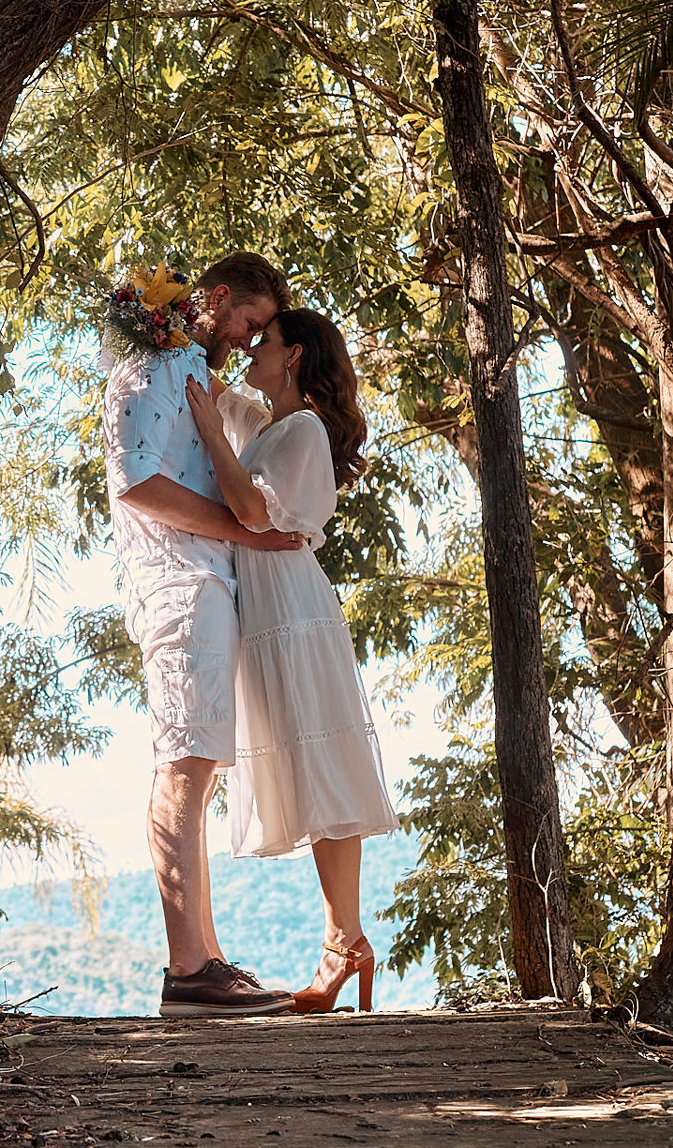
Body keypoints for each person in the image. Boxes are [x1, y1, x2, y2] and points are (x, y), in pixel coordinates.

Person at [102, 251, 304, 1018]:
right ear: (218, 299)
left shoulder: (190, 367)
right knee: (184, 766)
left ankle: (205, 962)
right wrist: (242, 536)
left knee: (200, 767)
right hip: (179, 585)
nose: (250, 341)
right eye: (250, 324)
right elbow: (136, 481)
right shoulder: (153, 364)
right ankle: (190, 972)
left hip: (206, 583)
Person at [184, 308, 400, 1015]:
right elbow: (217, 389)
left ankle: (344, 945)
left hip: (295, 615)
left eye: (265, 340)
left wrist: (214, 435)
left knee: (324, 773)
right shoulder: (270, 424)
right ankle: (346, 942)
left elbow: (250, 508)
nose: (252, 348)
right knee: (310, 778)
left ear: (295, 355)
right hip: (267, 612)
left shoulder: (302, 429)